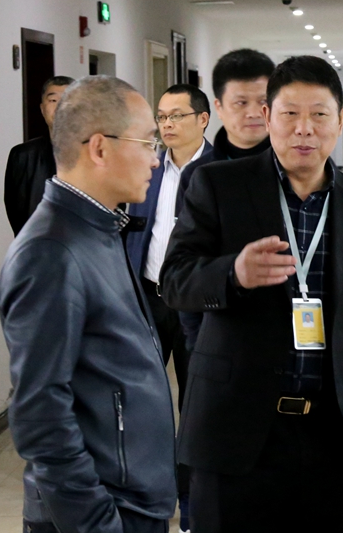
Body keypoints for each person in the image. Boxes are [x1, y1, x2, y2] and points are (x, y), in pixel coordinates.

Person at [161, 55, 343, 533]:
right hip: (236, 434)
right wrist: (232, 273)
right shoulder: (218, 186)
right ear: (268, 117)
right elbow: (174, 279)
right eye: (290, 114)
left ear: (341, 119)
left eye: (319, 114)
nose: (304, 129)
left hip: (337, 437)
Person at [0, 76, 176, 533]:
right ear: (99, 148)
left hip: (132, 496)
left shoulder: (99, 227)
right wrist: (95, 521)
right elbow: (40, 414)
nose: (155, 159)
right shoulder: (51, 251)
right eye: (147, 142)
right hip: (102, 510)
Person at [124, 83, 212, 533]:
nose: (167, 125)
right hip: (150, 297)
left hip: (199, 305)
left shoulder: (221, 172)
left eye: (177, 116)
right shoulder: (149, 166)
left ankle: (193, 505)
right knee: (143, 400)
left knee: (196, 405)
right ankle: (150, 496)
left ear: (203, 119)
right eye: (161, 117)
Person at [175, 49, 275, 351]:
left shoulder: (300, 167)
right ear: (218, 106)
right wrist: (196, 341)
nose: (254, 112)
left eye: (263, 101)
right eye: (241, 103)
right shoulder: (198, 176)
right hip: (223, 332)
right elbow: (185, 264)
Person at [4, 75, 75, 235]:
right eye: (53, 100)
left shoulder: (97, 154)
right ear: (42, 109)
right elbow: (16, 210)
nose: (60, 107)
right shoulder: (23, 156)